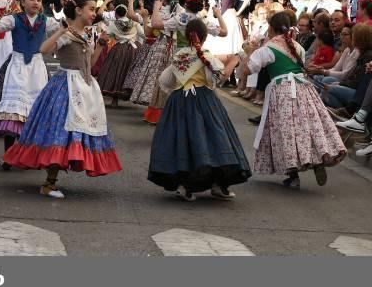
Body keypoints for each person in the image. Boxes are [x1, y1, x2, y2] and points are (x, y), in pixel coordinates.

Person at [3, 0, 122, 199]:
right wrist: (60, 30)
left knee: (74, 134)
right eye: (91, 9)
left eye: (95, 10)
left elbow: (90, 65)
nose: (94, 14)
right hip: (65, 87)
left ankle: (51, 181)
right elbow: (43, 49)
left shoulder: (86, 34)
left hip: (84, 87)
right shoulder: (68, 34)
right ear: (78, 10)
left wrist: (101, 45)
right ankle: (49, 184)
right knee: (61, 133)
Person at [148, 18, 251, 201]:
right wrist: (234, 61)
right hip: (204, 100)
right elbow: (217, 79)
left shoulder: (178, 56)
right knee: (215, 140)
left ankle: (183, 184)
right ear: (204, 37)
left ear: (186, 36)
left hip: (179, 101)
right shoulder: (207, 56)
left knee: (180, 140)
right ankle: (218, 183)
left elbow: (165, 81)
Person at [245, 11, 346, 189]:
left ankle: (293, 175)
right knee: (307, 128)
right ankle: (317, 160)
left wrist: (250, 51)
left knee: (286, 132)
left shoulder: (267, 49)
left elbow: (248, 70)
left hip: (283, 92)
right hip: (304, 89)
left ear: (270, 28)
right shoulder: (297, 46)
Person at [0, 0, 61, 165]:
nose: (35, 2)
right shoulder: (14, 19)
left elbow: (64, 27)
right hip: (17, 66)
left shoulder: (46, 21)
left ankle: (28, 155)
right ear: (22, 2)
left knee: (33, 113)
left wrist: (68, 7)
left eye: (39, 0)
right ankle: (8, 155)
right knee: (13, 114)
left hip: (37, 69)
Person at [95, 0, 145, 107]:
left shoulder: (113, 24)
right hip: (133, 49)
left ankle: (114, 100)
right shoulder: (135, 24)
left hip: (118, 49)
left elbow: (107, 36)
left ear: (116, 13)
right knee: (129, 71)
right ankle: (129, 94)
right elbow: (143, 35)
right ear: (126, 12)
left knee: (116, 71)